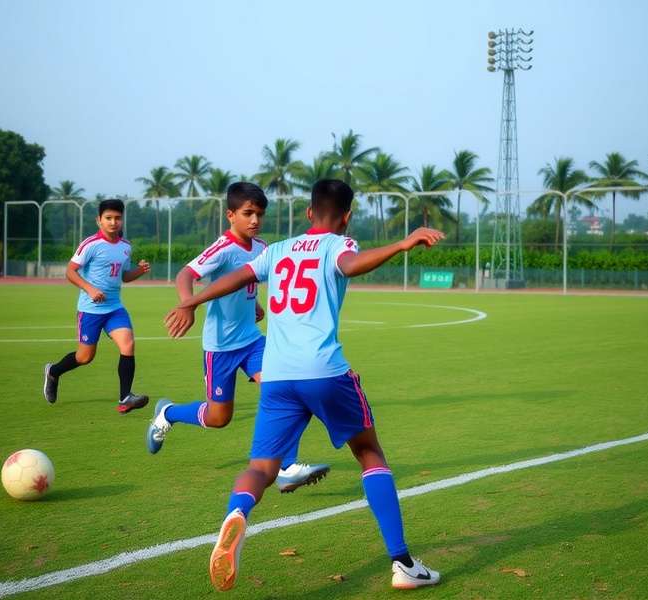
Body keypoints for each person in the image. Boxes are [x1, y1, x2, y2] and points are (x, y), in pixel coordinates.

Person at [165, 179, 444, 591]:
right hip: (324, 370)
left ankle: (237, 512)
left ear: (309, 212)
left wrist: (190, 301)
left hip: (277, 375)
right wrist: (401, 246)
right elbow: (351, 265)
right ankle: (402, 564)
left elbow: (238, 277)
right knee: (368, 453)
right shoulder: (340, 245)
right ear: (347, 217)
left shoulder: (276, 250)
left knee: (260, 468)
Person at [148, 181, 330, 493]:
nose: (255, 220)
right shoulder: (223, 248)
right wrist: (187, 305)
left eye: (259, 214)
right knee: (219, 417)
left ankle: (286, 466)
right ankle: (168, 413)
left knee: (283, 388)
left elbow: (246, 281)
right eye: (248, 213)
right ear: (230, 214)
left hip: (253, 341)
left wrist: (255, 303)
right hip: (220, 348)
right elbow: (185, 274)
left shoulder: (261, 248)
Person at [43, 198, 150, 414]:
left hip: (114, 308)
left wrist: (138, 271)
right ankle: (53, 372)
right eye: (108, 218)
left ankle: (125, 397)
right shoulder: (90, 245)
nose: (113, 222)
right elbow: (70, 271)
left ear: (122, 220)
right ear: (98, 220)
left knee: (128, 345)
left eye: (117, 218)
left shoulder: (126, 247)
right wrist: (90, 289)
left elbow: (123, 277)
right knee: (85, 357)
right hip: (90, 310)